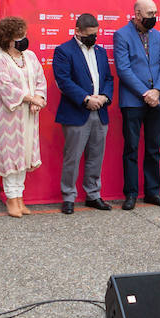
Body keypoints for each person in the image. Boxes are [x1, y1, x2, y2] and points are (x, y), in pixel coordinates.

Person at [53, 14, 115, 215]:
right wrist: (86, 99)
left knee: (96, 157)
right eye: (90, 34)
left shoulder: (100, 52)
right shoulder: (63, 51)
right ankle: (69, 197)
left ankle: (93, 195)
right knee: (72, 157)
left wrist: (104, 96)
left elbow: (107, 78)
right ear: (77, 31)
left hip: (101, 110)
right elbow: (64, 81)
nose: (94, 38)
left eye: (96, 34)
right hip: (76, 112)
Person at [113, 0, 160, 209]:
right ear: (137, 14)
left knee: (153, 149)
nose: (154, 18)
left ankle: (152, 192)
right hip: (133, 101)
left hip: (156, 100)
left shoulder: (157, 35)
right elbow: (123, 69)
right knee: (131, 148)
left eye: (156, 13)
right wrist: (145, 93)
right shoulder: (121, 35)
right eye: (150, 14)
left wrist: (157, 91)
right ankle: (130, 194)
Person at [0, 16, 47, 218]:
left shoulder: (30, 56)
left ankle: (20, 197)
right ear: (7, 39)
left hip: (29, 115)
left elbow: (40, 80)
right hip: (10, 114)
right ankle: (11, 199)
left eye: (24, 35)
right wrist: (29, 97)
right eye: (18, 37)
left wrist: (38, 98)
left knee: (25, 155)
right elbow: (4, 86)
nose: (23, 39)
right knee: (11, 156)